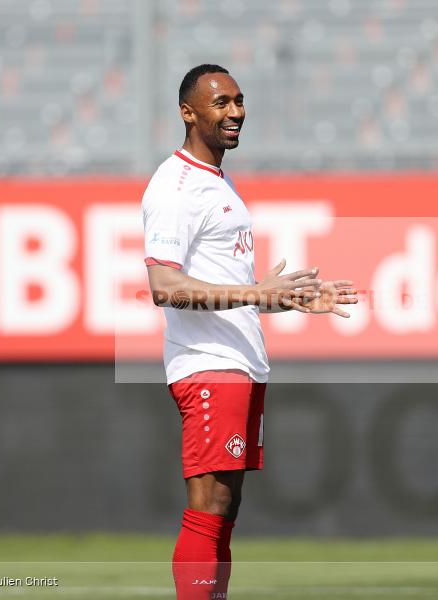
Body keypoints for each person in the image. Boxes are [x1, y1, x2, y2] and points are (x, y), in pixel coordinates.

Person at [142, 64, 357, 600]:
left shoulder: (219, 182)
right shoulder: (175, 185)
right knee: (208, 505)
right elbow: (165, 285)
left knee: (225, 508)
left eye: (238, 100)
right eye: (220, 103)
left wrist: (280, 297)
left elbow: (227, 289)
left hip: (239, 360)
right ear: (188, 113)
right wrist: (258, 294)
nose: (235, 112)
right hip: (206, 362)